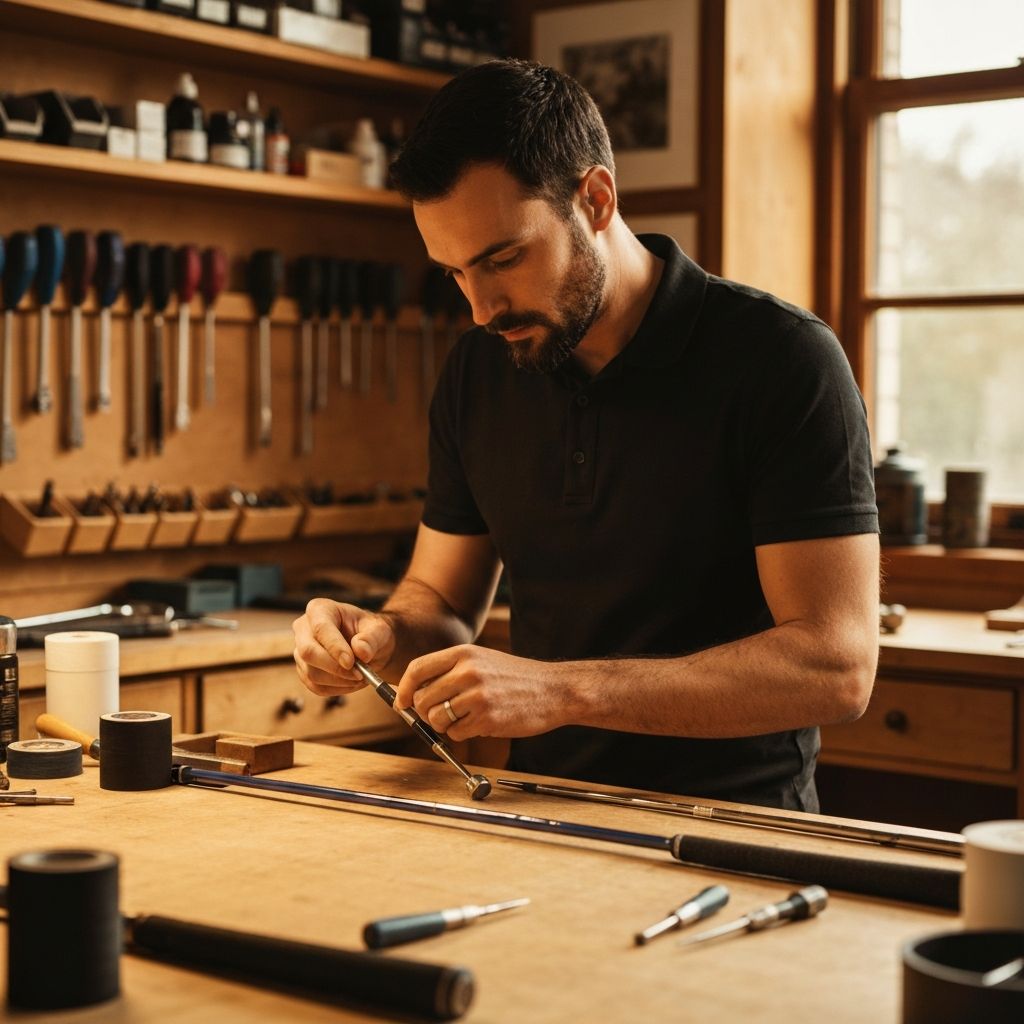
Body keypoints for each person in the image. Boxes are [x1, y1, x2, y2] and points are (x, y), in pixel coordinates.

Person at [293, 59, 880, 811]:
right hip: (544, 813)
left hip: (736, 829)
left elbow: (835, 667)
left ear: (596, 199)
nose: (482, 308)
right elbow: (440, 600)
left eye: (504, 258)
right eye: (454, 274)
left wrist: (562, 690)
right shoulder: (479, 369)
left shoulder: (783, 360)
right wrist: (380, 634)